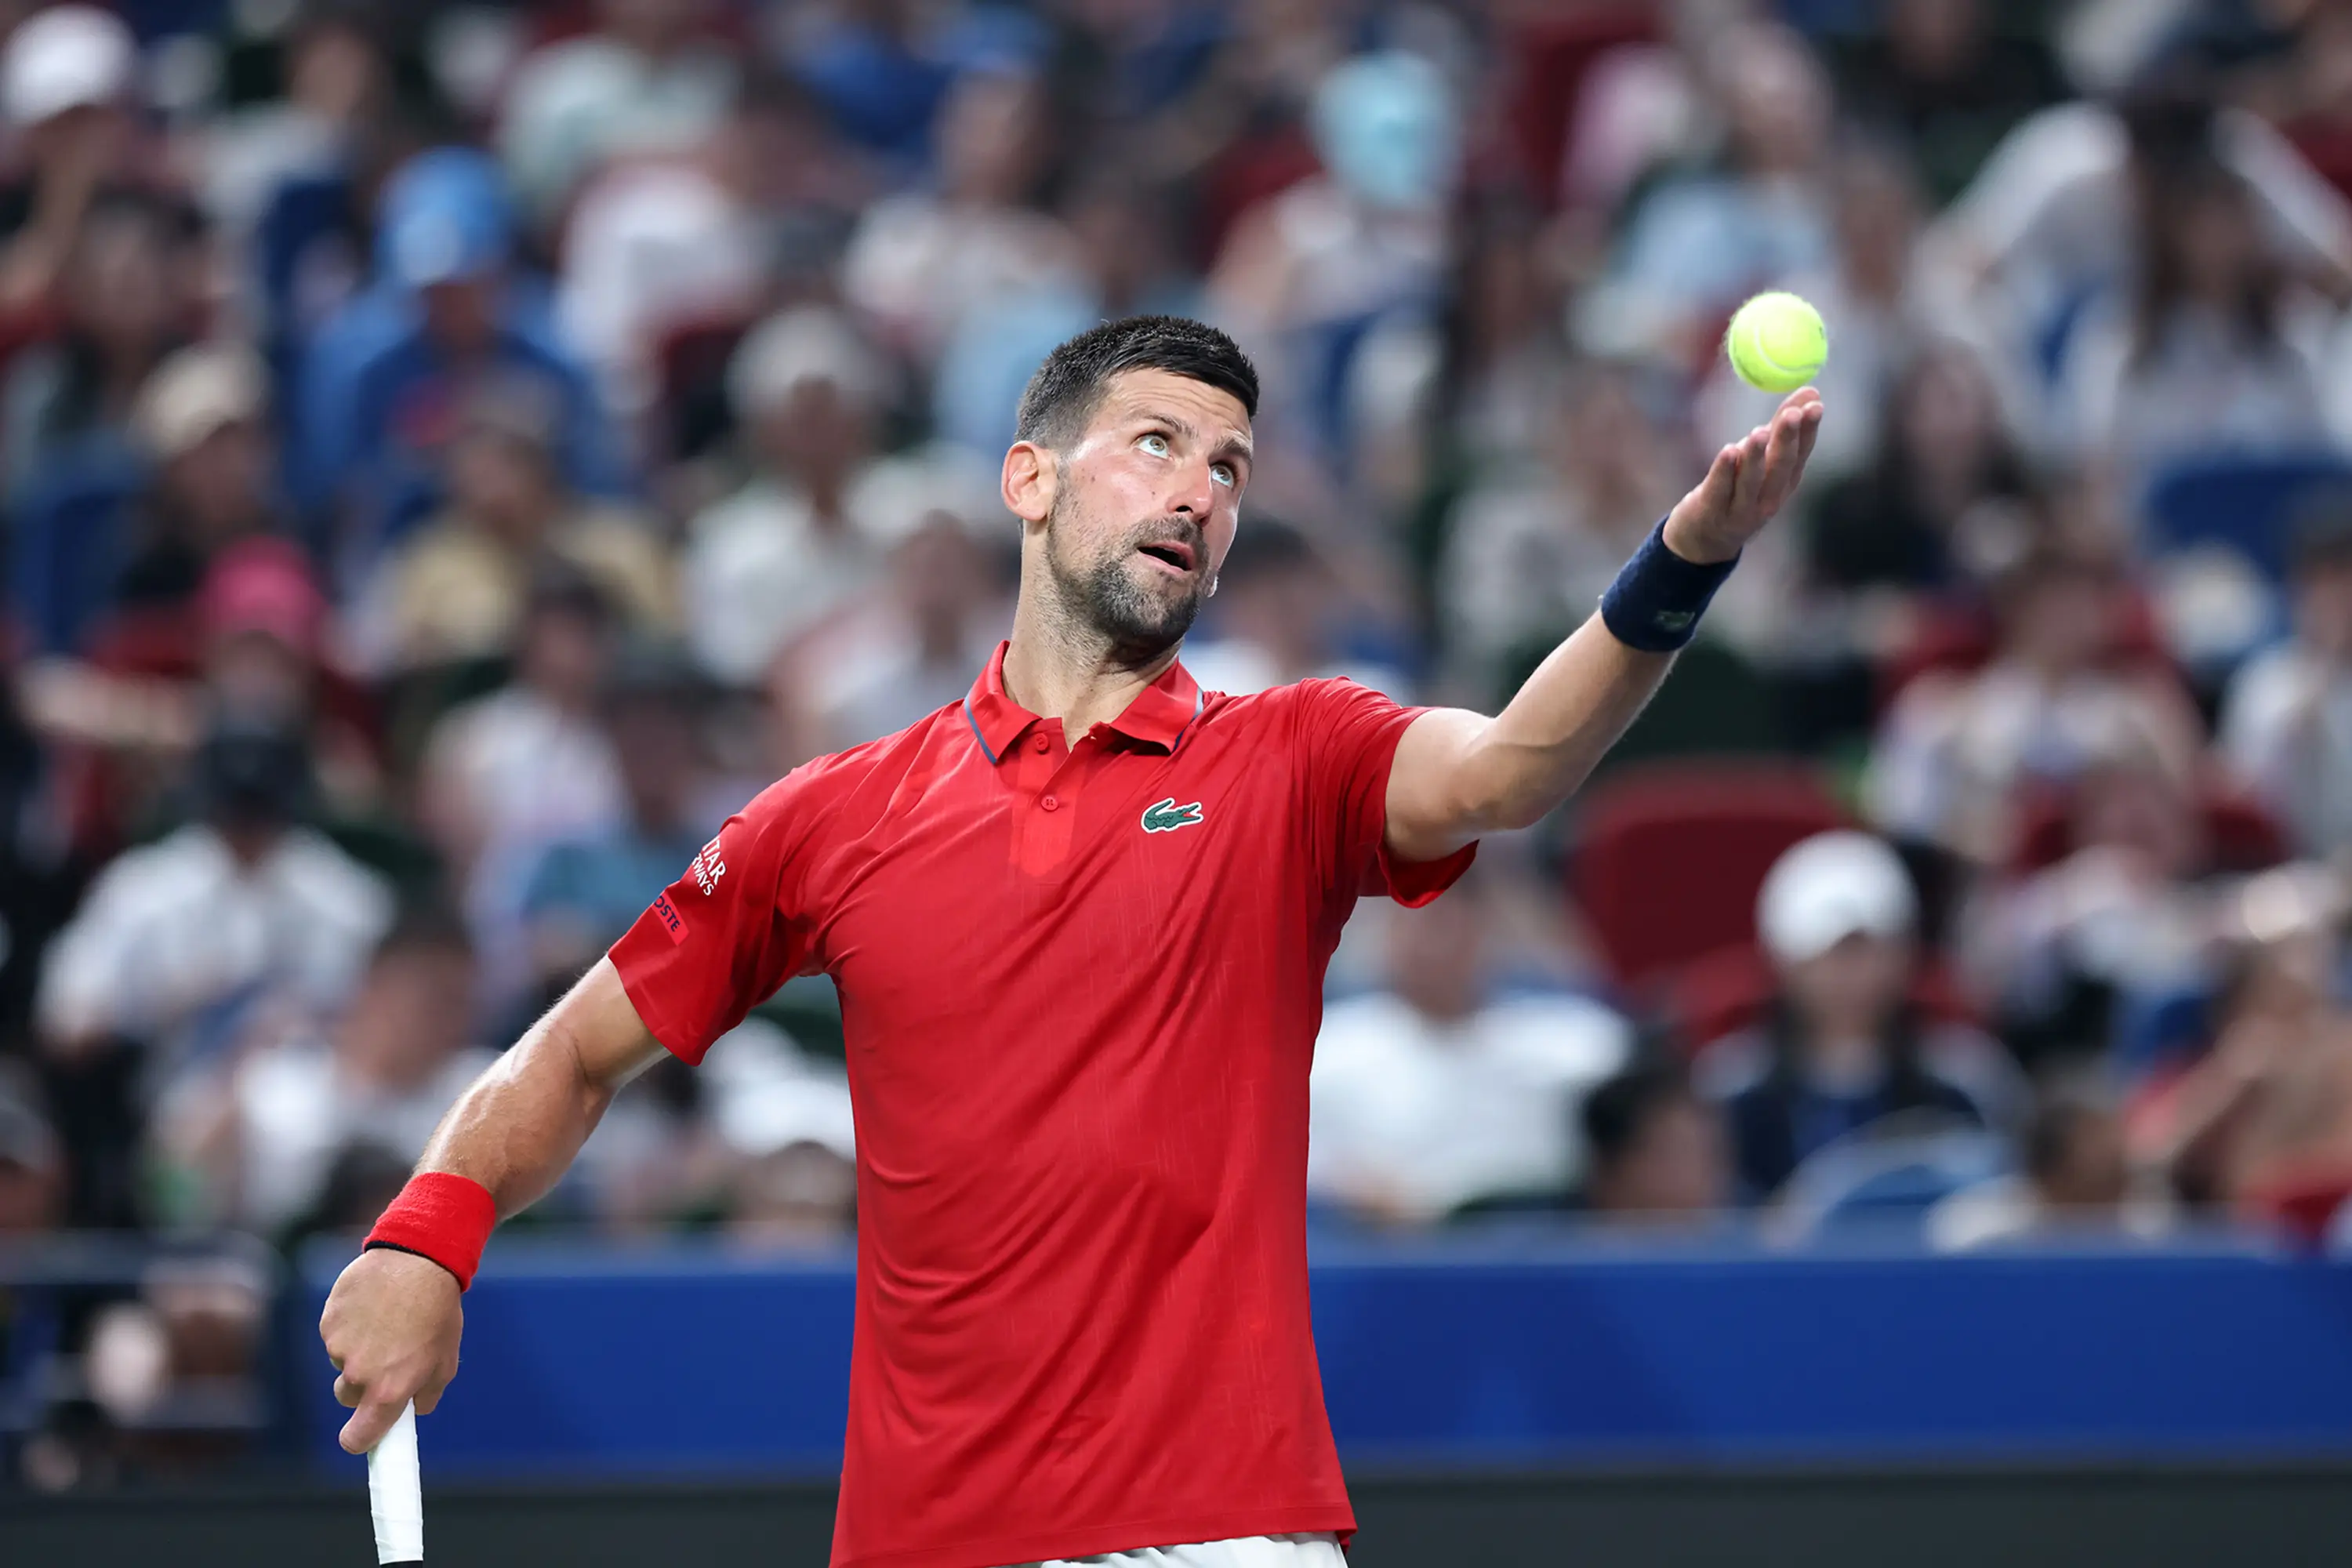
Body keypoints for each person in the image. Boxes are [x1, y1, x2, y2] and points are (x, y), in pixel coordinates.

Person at [321, 315, 1824, 1568]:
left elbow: (1507, 770)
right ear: (1028, 479)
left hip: (1224, 1532)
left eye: (1230, 467)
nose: (1202, 491)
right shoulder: (834, 816)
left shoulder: (1294, 753)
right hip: (928, 1540)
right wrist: (424, 1237)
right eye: (1160, 444)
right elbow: (578, 1052)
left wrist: (1683, 557)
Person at [1699, 830, 2020, 1201]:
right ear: (1783, 963)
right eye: (1832, 955)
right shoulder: (1728, 1093)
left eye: (1870, 951)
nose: (1854, 976)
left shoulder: (1967, 1079)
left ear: (1905, 956)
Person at [1306, 871, 1630, 1225]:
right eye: (1418, 926)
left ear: (1486, 932)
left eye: (1450, 925)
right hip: (1390, 1259)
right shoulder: (1325, 1053)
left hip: (1546, 1246)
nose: (1435, 946)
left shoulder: (1581, 1043)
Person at [2220, 500, 2352, 858]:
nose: (2340, 600)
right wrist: (2322, 678)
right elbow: (2244, 794)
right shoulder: (2267, 683)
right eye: (2326, 584)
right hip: (2288, 880)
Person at [1578, 1057, 1732, 1222]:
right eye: (1676, 1155)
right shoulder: (1560, 1243)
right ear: (1609, 1168)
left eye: (1709, 1155)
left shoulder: (1745, 1238)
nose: (1699, 1179)